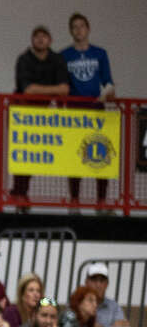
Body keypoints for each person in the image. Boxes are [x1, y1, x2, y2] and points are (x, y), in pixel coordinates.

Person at [10, 26, 69, 206]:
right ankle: (20, 193)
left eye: (44, 36)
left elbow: (65, 89)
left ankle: (21, 192)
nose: (40, 40)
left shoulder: (57, 59)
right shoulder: (24, 59)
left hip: (46, 116)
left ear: (50, 40)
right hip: (24, 114)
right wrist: (53, 91)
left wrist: (41, 90)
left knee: (43, 153)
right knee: (24, 153)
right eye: (37, 36)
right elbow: (28, 90)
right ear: (32, 40)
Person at [60, 13, 113, 208]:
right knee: (75, 156)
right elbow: (61, 85)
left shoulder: (100, 53)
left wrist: (107, 92)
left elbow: (109, 82)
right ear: (70, 31)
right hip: (74, 111)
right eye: (74, 26)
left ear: (88, 28)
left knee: (100, 153)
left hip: (96, 109)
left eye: (81, 26)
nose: (78, 30)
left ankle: (101, 200)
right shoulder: (64, 55)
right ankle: (74, 200)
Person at [81, 262, 130, 327]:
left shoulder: (113, 306)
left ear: (107, 284)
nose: (98, 284)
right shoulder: (77, 302)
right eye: (94, 280)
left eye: (102, 280)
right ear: (86, 282)